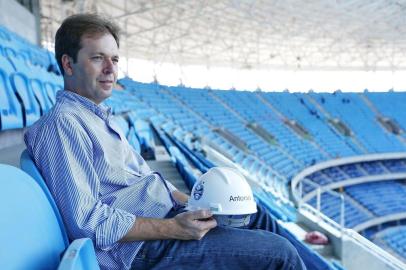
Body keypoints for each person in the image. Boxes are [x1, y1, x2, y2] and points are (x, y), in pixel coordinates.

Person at [24, 13, 326, 270]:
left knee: (256, 213)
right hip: (142, 250)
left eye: (114, 59)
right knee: (280, 254)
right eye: (98, 58)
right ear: (68, 64)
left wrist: (197, 203)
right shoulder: (62, 124)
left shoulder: (98, 117)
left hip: (163, 225)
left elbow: (147, 181)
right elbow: (87, 221)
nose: (111, 70)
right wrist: (174, 229)